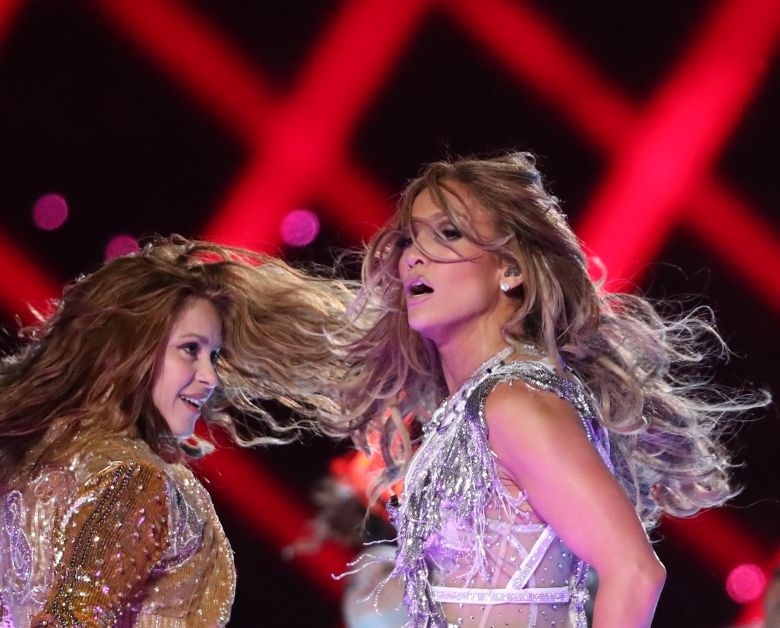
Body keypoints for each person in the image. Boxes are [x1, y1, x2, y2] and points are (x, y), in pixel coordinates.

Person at [0, 237, 354, 627]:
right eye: (191, 351)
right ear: (128, 353)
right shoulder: (134, 479)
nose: (209, 377)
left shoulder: (29, 466)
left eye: (214, 355)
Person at [324, 153, 767, 628]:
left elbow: (635, 572)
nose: (413, 254)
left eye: (448, 233)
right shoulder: (474, 406)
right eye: (410, 239)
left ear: (509, 270)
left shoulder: (515, 402)